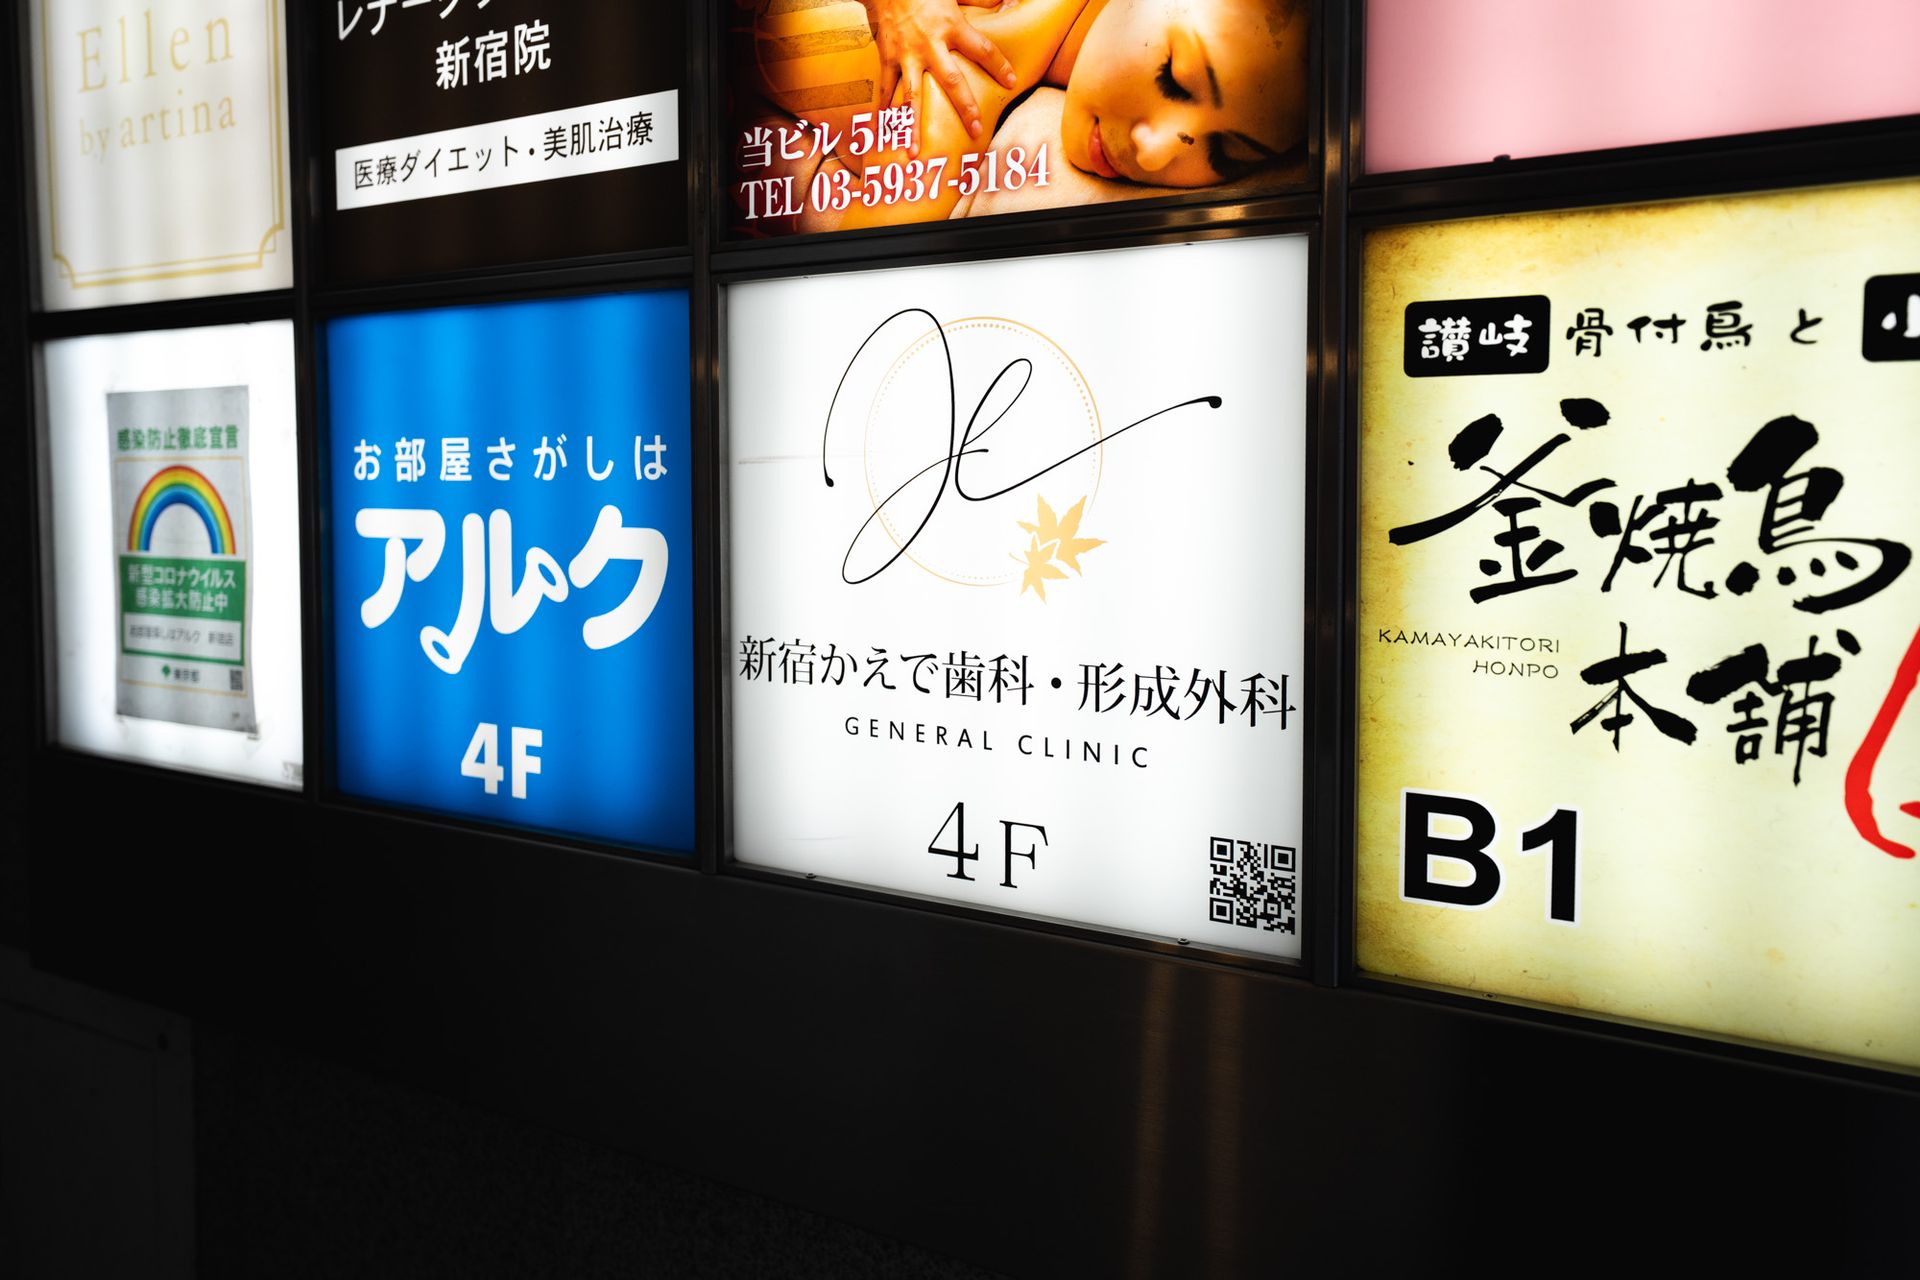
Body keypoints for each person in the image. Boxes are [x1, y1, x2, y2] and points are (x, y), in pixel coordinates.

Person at [732, 0, 1308, 232]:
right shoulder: (952, 95)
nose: (1155, 153)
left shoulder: (955, 99)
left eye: (1225, 154)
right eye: (1174, 78)